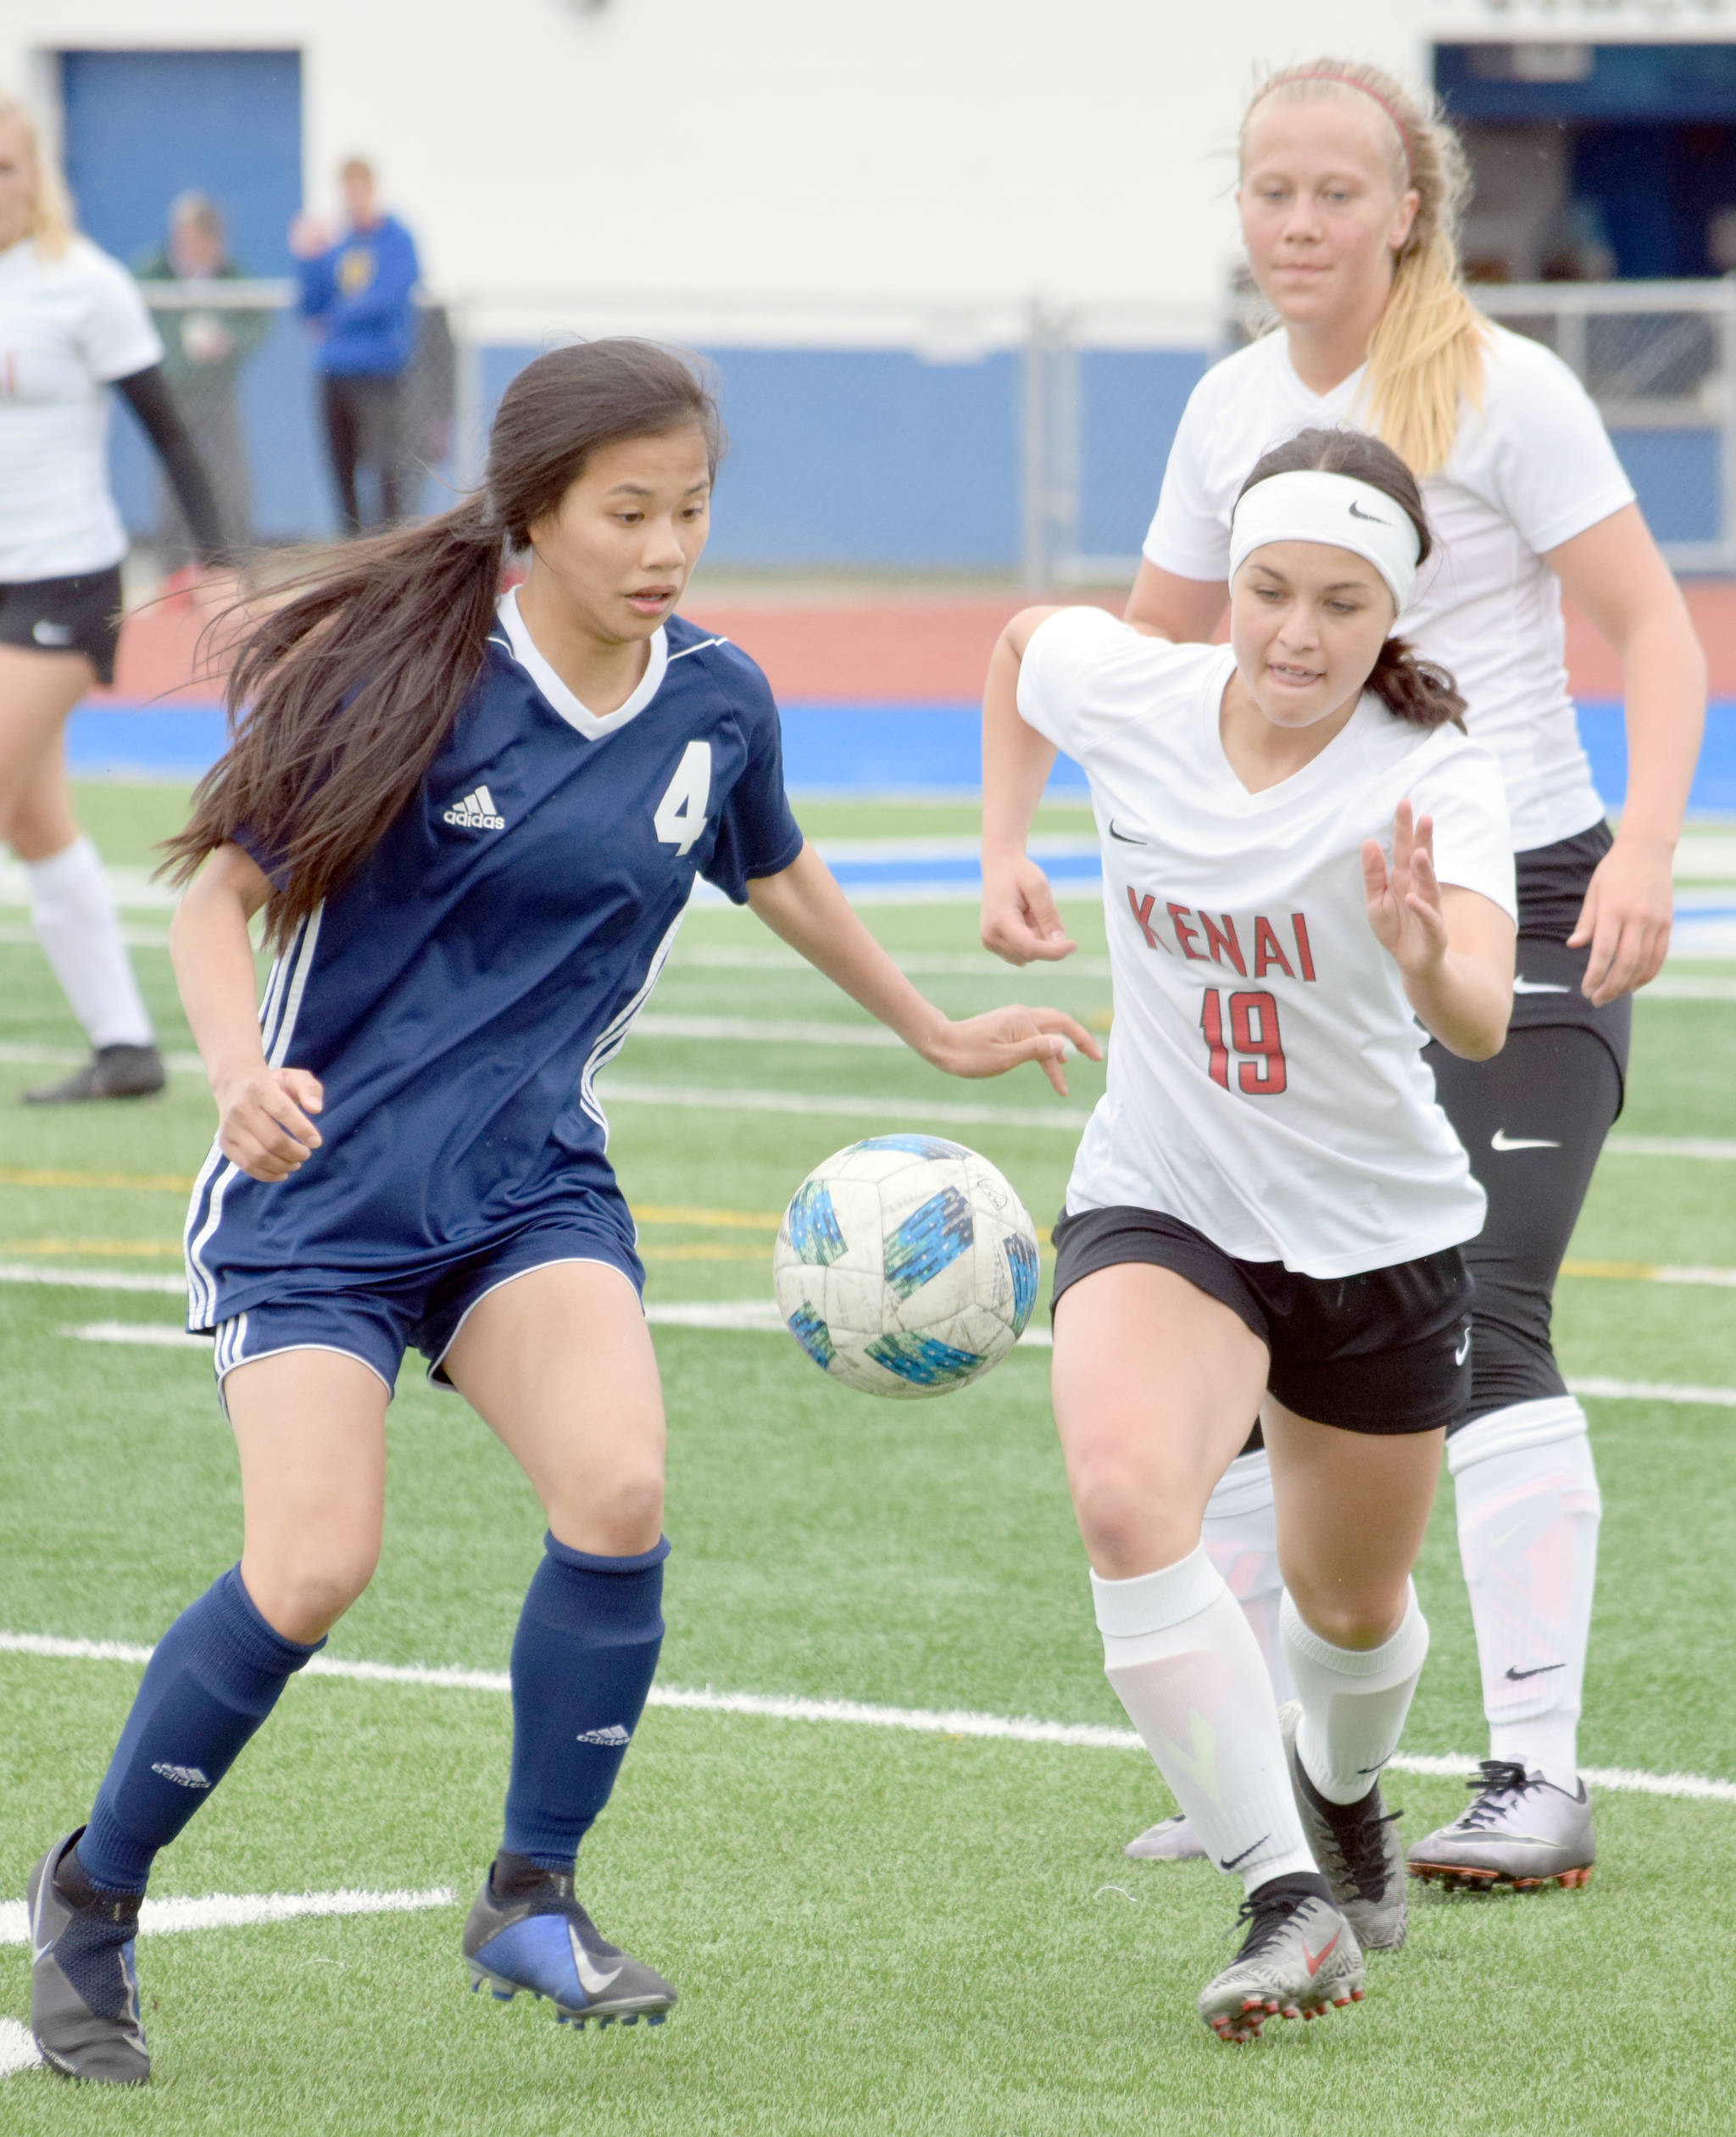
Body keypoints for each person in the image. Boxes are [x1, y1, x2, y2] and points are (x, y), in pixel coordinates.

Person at [24, 337, 1098, 2086]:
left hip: (528, 1186)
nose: (666, 543)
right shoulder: (413, 678)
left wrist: (931, 1025)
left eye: (689, 509)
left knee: (618, 1490)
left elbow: (773, 863)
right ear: (534, 515)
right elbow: (217, 905)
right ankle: (92, 1896)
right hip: (325, 1200)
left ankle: (530, 1895)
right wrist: (235, 1074)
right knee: (314, 1565)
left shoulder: (714, 698)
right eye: (628, 511)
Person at [1071, 57, 1702, 1890]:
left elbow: (1654, 628)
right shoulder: (1224, 410)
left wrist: (1648, 847)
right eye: (1268, 190)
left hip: (1520, 901)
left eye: (1333, 193)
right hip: (1305, 939)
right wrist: (1087, 856)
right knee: (1277, 1330)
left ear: (1406, 205)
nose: (1294, 224)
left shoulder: (1509, 391)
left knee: (1486, 1309)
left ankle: (1536, 1773)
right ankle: (1273, 1781)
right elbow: (1149, 654)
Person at [982, 426, 1517, 2040]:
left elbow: (1481, 1015)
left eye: (1338, 604)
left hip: (1373, 1236)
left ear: (1391, 616)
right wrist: (1004, 845)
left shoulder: (1434, 774)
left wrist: (1419, 954)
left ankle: (1344, 1799)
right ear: (1231, 581)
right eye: (1268, 589)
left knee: (1345, 1610)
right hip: (1167, 1196)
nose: (1293, 632)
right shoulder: (1134, 693)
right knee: (1124, 1493)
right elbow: (1019, 650)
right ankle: (1285, 1896)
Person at [0, 97, 228, 1105]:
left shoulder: (82, 287)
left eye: (4, 167)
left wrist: (215, 557)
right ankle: (126, 1049)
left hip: (63, 581)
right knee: (35, 819)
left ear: (35, 173)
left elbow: (173, 434)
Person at [136, 192, 269, 571]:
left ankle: (236, 569)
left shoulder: (229, 273)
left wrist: (229, 340)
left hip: (218, 395)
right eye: (195, 234)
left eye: (209, 236)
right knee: (174, 488)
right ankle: (175, 576)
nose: (202, 245)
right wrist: (169, 352)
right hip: (173, 396)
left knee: (232, 486)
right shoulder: (153, 271)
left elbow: (258, 320)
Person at [291, 158, 420, 534]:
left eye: (360, 188)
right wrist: (308, 257)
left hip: (380, 373)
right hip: (334, 373)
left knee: (386, 467)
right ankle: (351, 550)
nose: (353, 198)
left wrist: (337, 317)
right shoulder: (337, 245)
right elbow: (310, 306)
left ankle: (389, 547)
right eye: (347, 190)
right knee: (340, 467)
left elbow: (386, 298)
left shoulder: (397, 239)